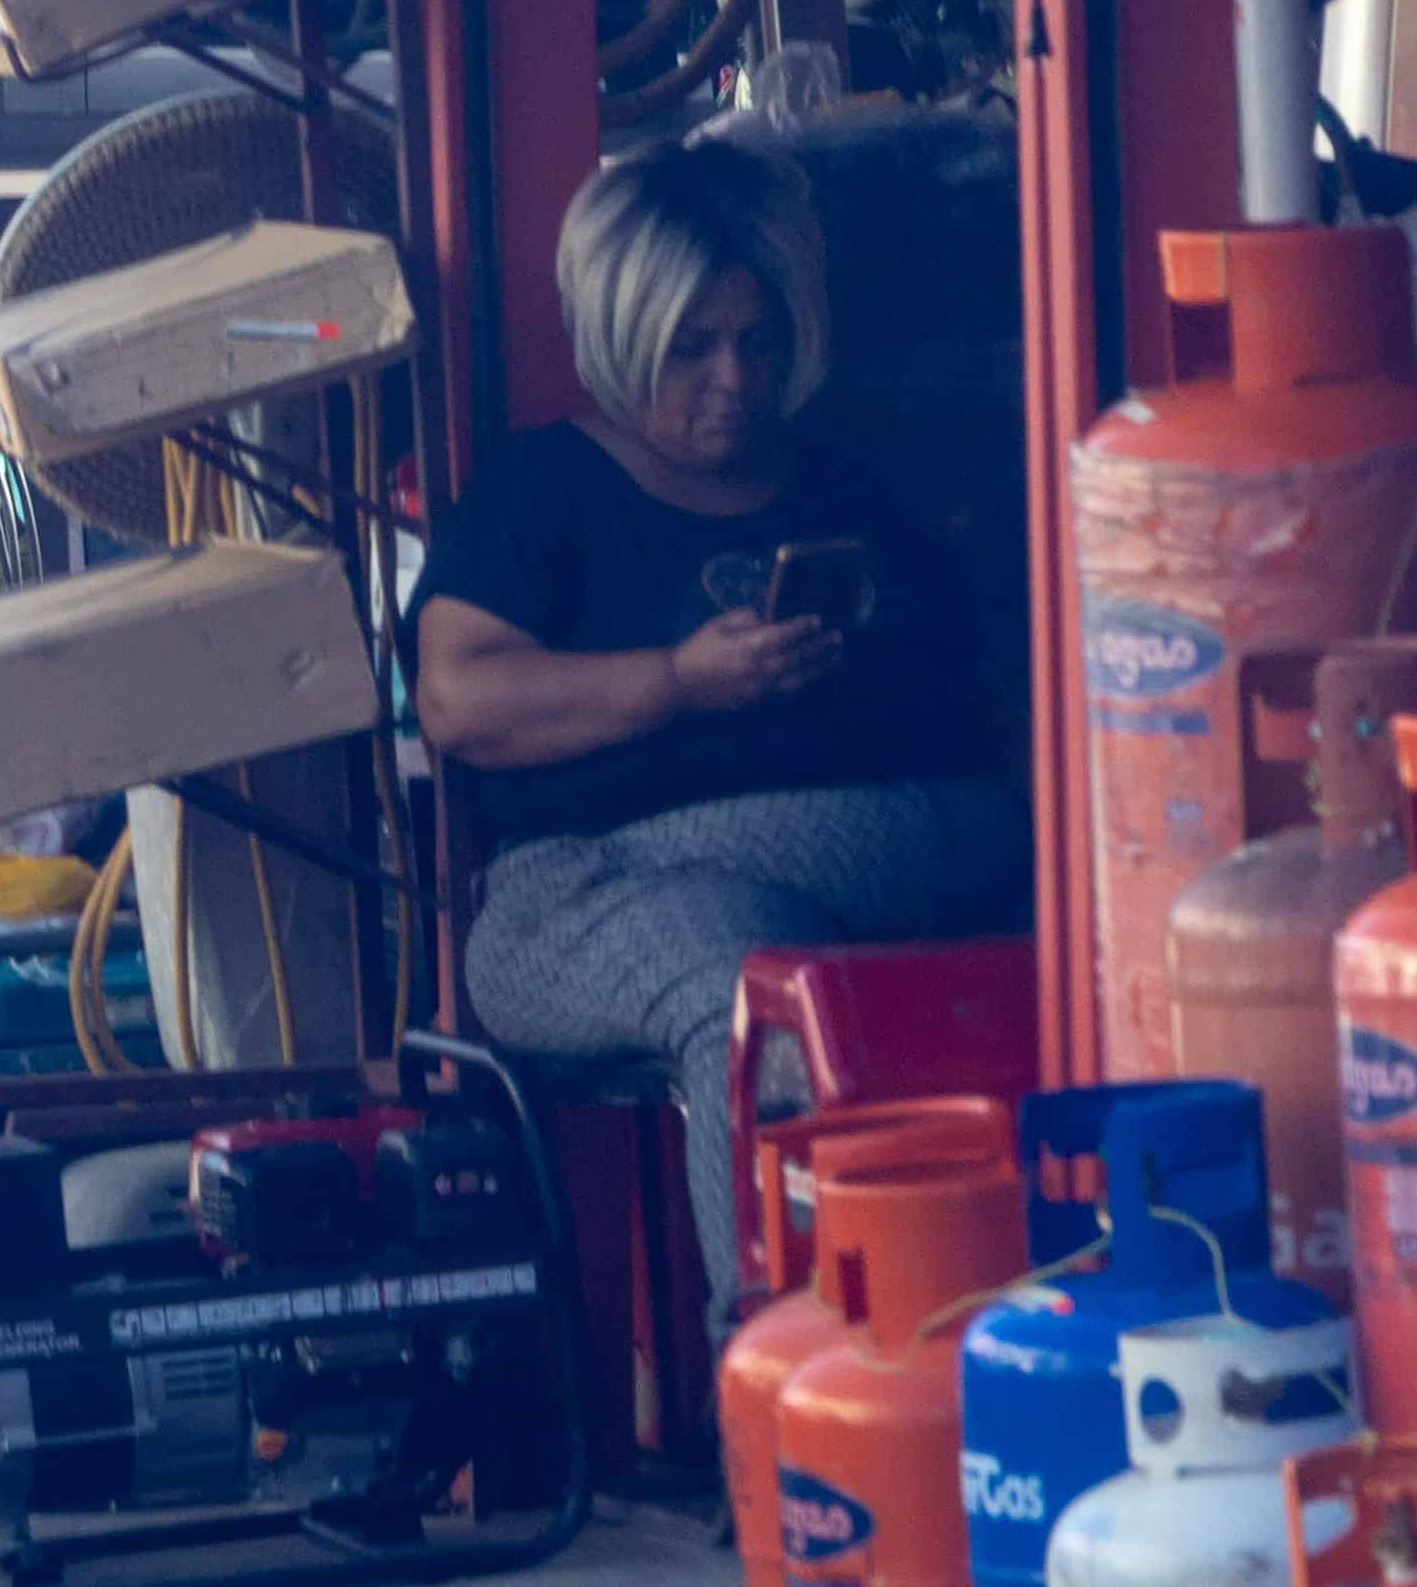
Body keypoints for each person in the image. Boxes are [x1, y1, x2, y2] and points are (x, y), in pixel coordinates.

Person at [416, 136, 1020, 1299]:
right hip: (575, 895)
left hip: (901, 857)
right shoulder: (543, 493)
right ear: (620, 338)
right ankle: (776, 1368)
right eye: (691, 348)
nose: (732, 379)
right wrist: (682, 680)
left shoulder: (844, 490)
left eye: (758, 340)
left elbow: (975, 686)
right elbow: (460, 698)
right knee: (753, 989)